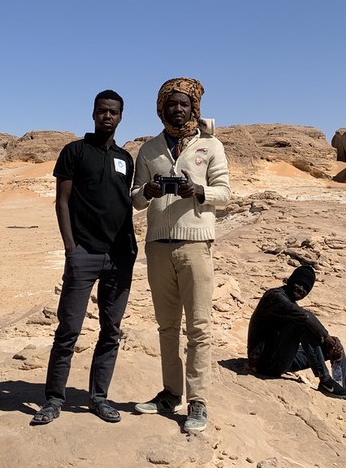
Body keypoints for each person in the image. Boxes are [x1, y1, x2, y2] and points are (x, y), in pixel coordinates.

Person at [31, 90, 137, 425]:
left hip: (120, 257)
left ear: (121, 117)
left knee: (111, 330)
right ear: (93, 114)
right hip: (85, 253)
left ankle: (99, 397)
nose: (108, 116)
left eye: (114, 112)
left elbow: (122, 201)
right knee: (69, 329)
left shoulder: (125, 158)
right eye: (103, 111)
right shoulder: (74, 151)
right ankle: (53, 399)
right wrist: (70, 249)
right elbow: (62, 201)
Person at [132, 77, 230, 433]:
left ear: (194, 108)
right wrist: (148, 189)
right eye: (171, 103)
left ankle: (198, 401)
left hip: (195, 245)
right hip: (158, 246)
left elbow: (225, 193)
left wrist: (198, 190)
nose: (177, 109)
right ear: (161, 108)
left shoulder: (211, 145)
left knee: (199, 327)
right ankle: (171, 393)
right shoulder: (149, 149)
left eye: (183, 104)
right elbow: (135, 199)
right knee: (167, 326)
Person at [247, 265, 346, 401]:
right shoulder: (274, 297)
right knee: (302, 322)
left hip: (281, 357)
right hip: (264, 363)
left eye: (305, 288)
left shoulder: (290, 302)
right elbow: (305, 317)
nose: (300, 289)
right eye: (298, 283)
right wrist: (327, 339)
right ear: (290, 281)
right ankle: (325, 380)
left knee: (335, 349)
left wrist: (332, 344)